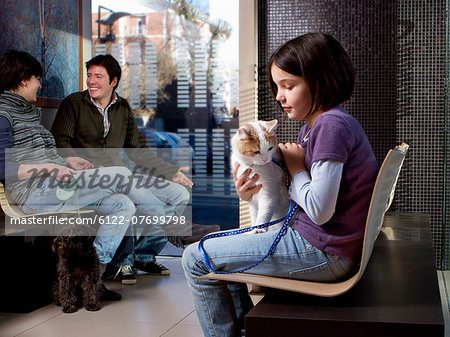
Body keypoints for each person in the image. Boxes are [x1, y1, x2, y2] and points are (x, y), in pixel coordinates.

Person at [181, 32, 379, 337]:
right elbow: (306, 200)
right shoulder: (314, 128)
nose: (279, 96)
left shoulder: (331, 125)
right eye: (277, 87)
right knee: (218, 250)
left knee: (195, 257)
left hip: (325, 251)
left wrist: (296, 167)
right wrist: (251, 194)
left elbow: (319, 211)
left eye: (289, 86)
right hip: (323, 244)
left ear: (320, 80)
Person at [51, 54, 219, 284]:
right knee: (127, 202)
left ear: (113, 81)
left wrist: (170, 171)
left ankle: (144, 254)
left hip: (122, 176)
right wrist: (71, 159)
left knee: (179, 194)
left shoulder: (122, 107)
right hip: (90, 180)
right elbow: (59, 141)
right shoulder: (74, 104)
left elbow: (138, 149)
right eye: (89, 76)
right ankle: (157, 243)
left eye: (98, 77)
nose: (92, 81)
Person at [0, 50, 136, 301]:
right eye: (36, 79)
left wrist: (65, 160)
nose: (40, 84)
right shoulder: (4, 114)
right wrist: (52, 168)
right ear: (23, 81)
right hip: (32, 194)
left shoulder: (27, 112)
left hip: (54, 184)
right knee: (120, 174)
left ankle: (92, 278)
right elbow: (3, 169)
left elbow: (35, 154)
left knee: (122, 205)